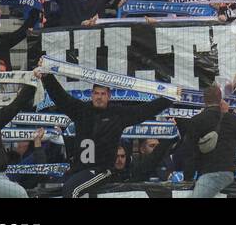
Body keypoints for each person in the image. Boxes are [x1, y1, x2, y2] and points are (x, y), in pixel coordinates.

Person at [38, 70, 174, 198]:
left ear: (109, 96)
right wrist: (47, 76)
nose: (99, 97)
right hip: (79, 169)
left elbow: (145, 110)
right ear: (91, 95)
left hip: (101, 170)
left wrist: (169, 98)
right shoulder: (81, 111)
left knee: (71, 190)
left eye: (103, 94)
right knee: (50, 192)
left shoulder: (118, 114)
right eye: (96, 93)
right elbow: (60, 97)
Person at [179, 74, 236, 197]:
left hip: (211, 173)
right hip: (228, 172)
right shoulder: (232, 119)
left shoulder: (197, 120)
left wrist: (187, 177)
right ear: (220, 99)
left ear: (204, 100)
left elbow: (190, 152)